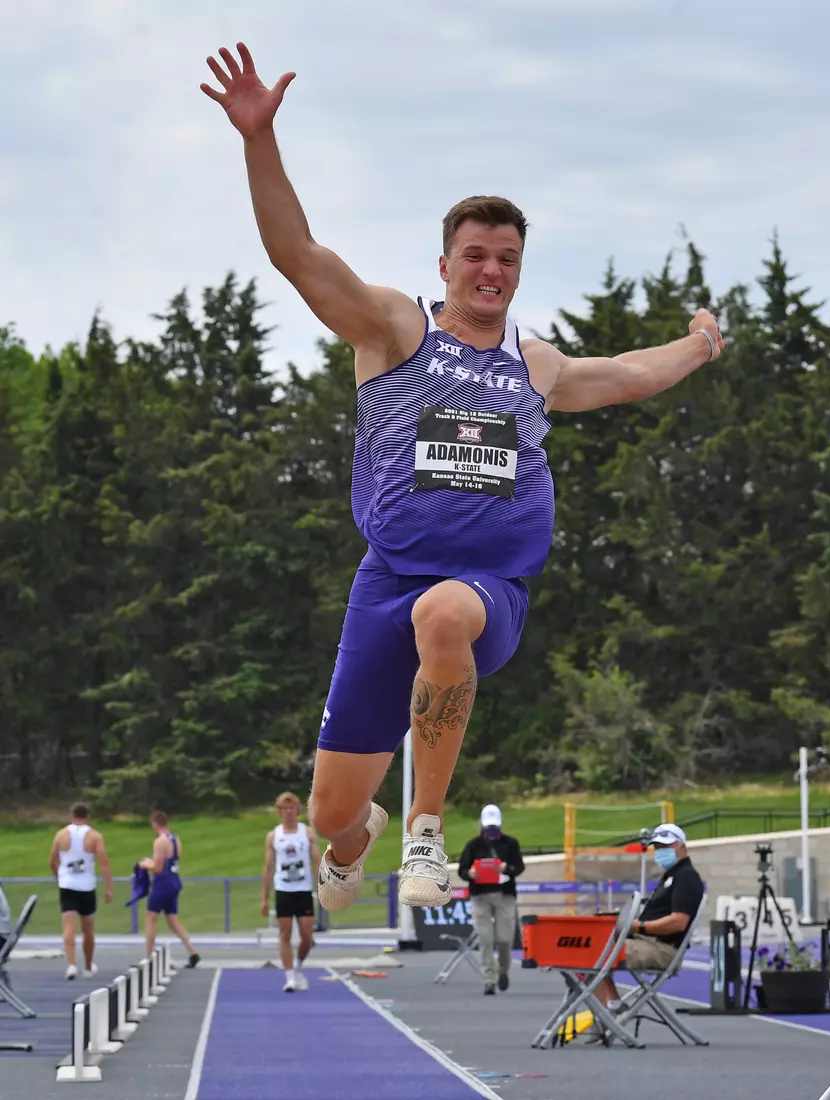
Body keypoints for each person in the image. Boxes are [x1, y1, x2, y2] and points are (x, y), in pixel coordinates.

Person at [201, 43, 725, 914]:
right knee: (330, 808)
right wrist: (259, 138)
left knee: (447, 611)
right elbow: (298, 253)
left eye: (508, 259)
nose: (492, 272)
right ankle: (360, 831)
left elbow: (631, 372)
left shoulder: (537, 365)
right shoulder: (395, 328)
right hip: (388, 581)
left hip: (491, 589)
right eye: (476, 255)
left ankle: (423, 834)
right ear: (445, 263)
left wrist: (702, 343)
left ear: (519, 269)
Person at [595, 823, 704, 1013]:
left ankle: (610, 1009)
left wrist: (637, 927)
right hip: (647, 941)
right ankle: (609, 1008)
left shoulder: (686, 877)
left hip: (661, 948)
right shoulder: (672, 876)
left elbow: (678, 922)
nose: (660, 852)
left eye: (666, 847)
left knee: (591, 951)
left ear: (682, 846)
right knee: (586, 947)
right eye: (658, 848)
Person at [457, 804, 525, 995]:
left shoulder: (511, 844)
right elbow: (462, 869)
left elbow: (519, 867)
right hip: (480, 895)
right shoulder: (473, 845)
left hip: (504, 895)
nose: (491, 831)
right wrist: (470, 873)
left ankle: (503, 970)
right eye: (488, 828)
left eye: (494, 827)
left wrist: (506, 868)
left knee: (504, 939)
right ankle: (489, 978)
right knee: (485, 938)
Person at [261, 792, 321, 992]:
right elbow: (269, 867)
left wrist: (322, 885)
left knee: (306, 935)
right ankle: (289, 977)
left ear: (297, 810)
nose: (288, 812)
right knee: (284, 933)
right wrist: (264, 898)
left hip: (303, 889)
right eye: (284, 809)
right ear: (279, 812)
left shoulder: (307, 833)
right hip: (283, 889)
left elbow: (316, 861)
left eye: (291, 808)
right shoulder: (274, 836)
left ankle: (299, 965)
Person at [49, 803, 112, 979]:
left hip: (67, 884)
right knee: (88, 929)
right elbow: (104, 862)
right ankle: (88, 966)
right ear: (88, 816)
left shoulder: (61, 834)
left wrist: (59, 877)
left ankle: (71, 965)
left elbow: (52, 860)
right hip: (86, 886)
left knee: (68, 926)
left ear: (71, 815)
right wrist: (108, 887)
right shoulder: (94, 836)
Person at [140, 812, 200, 968]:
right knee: (172, 920)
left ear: (155, 824)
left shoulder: (160, 841)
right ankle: (192, 951)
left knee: (151, 916)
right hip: (174, 881)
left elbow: (158, 867)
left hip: (163, 883)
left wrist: (146, 864)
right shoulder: (176, 840)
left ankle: (148, 956)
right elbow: (168, 861)